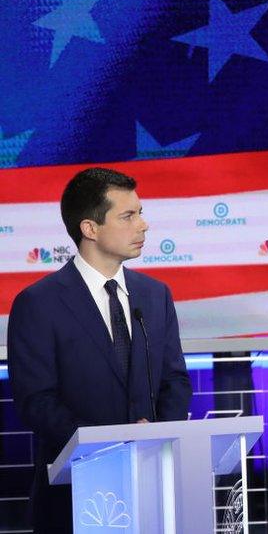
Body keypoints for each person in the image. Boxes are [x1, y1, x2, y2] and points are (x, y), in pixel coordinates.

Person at [8, 167, 191, 532]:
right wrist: (112, 444)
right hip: (75, 498)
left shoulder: (155, 295)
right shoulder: (38, 303)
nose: (143, 225)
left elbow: (175, 380)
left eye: (141, 212)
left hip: (152, 490)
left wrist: (154, 438)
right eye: (128, 216)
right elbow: (37, 400)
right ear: (90, 229)